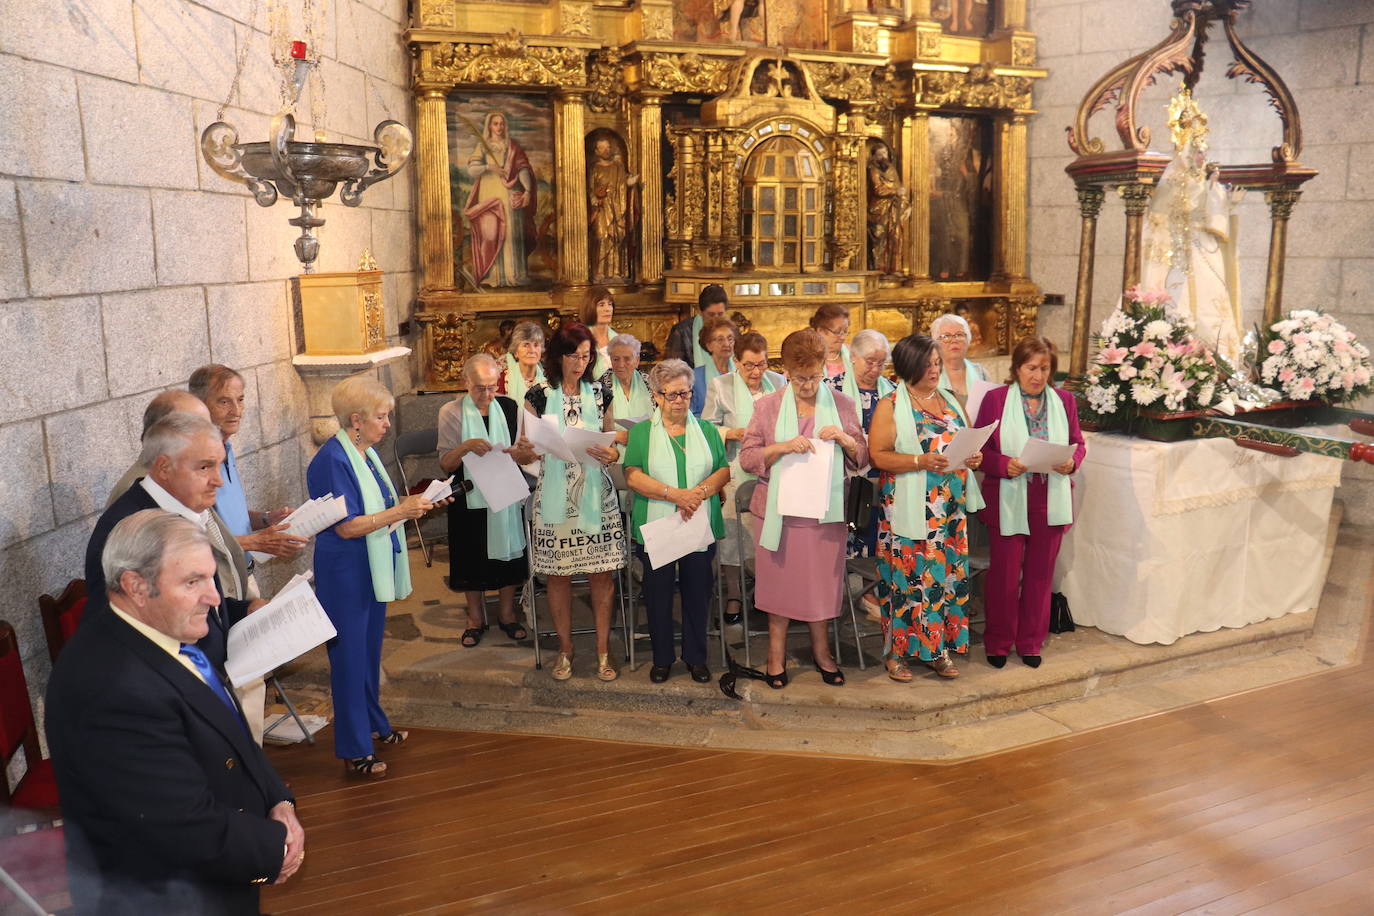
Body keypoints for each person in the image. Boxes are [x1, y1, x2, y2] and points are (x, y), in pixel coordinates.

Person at [48, 510, 303, 915]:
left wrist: (279, 801)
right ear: (135, 585)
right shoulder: (113, 688)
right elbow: (182, 825)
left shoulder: (171, 632)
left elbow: (233, 731)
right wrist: (276, 849)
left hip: (215, 878)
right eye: (192, 582)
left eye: (210, 578)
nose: (215, 598)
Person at [307, 376, 450, 779]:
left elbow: (381, 509)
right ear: (356, 420)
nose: (388, 424)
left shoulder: (363, 453)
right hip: (346, 571)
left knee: (368, 653)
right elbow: (346, 527)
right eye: (382, 417)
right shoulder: (331, 461)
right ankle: (355, 748)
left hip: (369, 565)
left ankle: (374, 723)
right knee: (349, 659)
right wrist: (401, 512)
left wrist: (414, 504)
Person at [740, 329, 867, 688]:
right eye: (800, 378)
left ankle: (822, 651)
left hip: (825, 513)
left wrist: (844, 439)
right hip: (779, 514)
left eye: (815, 377)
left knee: (820, 588)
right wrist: (779, 447)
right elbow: (748, 458)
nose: (808, 385)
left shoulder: (842, 404)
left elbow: (862, 457)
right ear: (786, 371)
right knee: (779, 586)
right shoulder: (767, 406)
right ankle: (775, 655)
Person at [85, 412, 261, 672]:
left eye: (218, 465)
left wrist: (244, 610)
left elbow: (199, 604)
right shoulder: (129, 527)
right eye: (204, 467)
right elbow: (128, 636)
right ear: (164, 468)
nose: (218, 480)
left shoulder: (187, 510)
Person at [868, 334, 985, 682]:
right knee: (906, 580)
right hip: (908, 508)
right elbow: (879, 455)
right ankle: (896, 653)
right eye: (928, 364)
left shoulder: (949, 400)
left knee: (943, 580)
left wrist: (972, 457)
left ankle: (936, 649)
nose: (935, 370)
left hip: (947, 510)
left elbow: (961, 441)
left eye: (937, 363)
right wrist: (920, 460)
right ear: (909, 366)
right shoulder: (890, 404)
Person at [517, 323, 626, 681]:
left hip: (596, 495)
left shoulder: (600, 392)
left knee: (601, 576)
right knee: (558, 578)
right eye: (573, 355)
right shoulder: (537, 395)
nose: (580, 363)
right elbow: (523, 450)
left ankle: (602, 653)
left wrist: (610, 454)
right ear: (557, 356)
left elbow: (611, 443)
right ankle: (565, 651)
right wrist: (526, 450)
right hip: (554, 498)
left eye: (586, 356)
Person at [975, 336, 1086, 669]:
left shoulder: (1064, 400)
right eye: (1031, 368)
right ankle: (997, 641)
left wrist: (1072, 462)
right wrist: (1002, 465)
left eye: (1044, 368)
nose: (1037, 375)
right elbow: (979, 453)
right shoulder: (996, 400)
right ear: (1017, 368)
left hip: (1048, 497)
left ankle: (1030, 641)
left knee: (1040, 575)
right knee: (1005, 576)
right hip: (1008, 495)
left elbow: (1077, 443)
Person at [623, 360, 731, 683]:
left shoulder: (707, 430)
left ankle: (696, 658)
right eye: (671, 395)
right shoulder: (642, 433)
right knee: (657, 595)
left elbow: (723, 470)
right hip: (658, 526)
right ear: (656, 396)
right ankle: (662, 658)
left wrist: (696, 494)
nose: (679, 401)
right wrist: (675, 496)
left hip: (698, 523)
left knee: (698, 593)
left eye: (685, 393)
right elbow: (632, 475)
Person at [437, 354, 535, 648]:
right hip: (469, 496)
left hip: (504, 490)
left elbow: (525, 455)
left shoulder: (509, 407)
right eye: (480, 387)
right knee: (472, 556)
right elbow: (445, 464)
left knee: (509, 557)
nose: (488, 394)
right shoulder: (451, 412)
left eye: (492, 386)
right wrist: (466, 446)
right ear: (465, 383)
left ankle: (507, 614)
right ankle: (475, 617)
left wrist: (524, 451)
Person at [700, 330, 785, 624]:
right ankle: (735, 593)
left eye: (761, 364)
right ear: (736, 362)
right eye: (749, 365)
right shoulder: (720, 386)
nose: (756, 372)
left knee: (768, 536)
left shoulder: (779, 383)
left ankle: (768, 592)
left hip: (773, 470)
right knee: (735, 538)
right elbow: (706, 429)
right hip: (736, 469)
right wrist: (730, 433)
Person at [464, 111, 536, 287]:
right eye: (495, 124)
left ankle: (513, 275)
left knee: (510, 231)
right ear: (489, 126)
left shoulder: (512, 146)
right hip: (489, 191)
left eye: (501, 124)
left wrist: (527, 190)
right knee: (491, 232)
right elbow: (472, 170)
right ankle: (493, 275)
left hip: (508, 192)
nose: (499, 127)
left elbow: (523, 168)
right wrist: (489, 166)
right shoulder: (482, 146)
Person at [106, 390, 214, 507]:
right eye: (197, 429)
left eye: (210, 428)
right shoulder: (142, 492)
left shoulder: (187, 474)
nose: (211, 438)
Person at [588, 135, 638, 283]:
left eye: (608, 147)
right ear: (597, 151)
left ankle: (617, 271)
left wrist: (634, 180)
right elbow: (590, 188)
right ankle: (599, 272)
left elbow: (625, 183)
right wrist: (595, 198)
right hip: (601, 209)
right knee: (601, 236)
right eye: (602, 148)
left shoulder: (618, 167)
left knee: (617, 238)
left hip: (617, 207)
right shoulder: (594, 168)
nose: (606, 150)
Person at [867, 142, 910, 276]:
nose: (883, 157)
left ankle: (895, 268)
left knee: (896, 237)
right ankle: (878, 269)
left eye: (885, 153)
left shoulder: (891, 169)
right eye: (879, 154)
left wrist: (906, 203)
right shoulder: (872, 169)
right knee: (879, 239)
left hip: (894, 208)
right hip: (879, 210)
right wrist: (896, 191)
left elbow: (900, 188)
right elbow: (878, 189)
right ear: (874, 156)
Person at [931, 313, 988, 411]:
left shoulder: (981, 372)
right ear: (935, 342)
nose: (954, 340)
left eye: (959, 335)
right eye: (946, 336)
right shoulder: (929, 375)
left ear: (968, 339)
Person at [665, 283, 728, 367]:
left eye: (720, 314)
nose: (715, 319)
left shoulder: (731, 331)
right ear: (700, 312)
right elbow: (672, 370)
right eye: (711, 315)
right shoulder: (681, 332)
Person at [810, 303, 862, 403]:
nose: (842, 337)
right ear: (820, 331)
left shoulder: (853, 353)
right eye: (837, 332)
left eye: (845, 332)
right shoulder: (806, 355)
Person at [690, 315, 737, 416]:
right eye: (720, 340)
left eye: (730, 339)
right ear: (709, 345)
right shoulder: (695, 377)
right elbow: (690, 415)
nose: (726, 344)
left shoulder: (742, 372)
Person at [498, 320, 547, 404]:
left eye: (536, 345)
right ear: (516, 352)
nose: (532, 350)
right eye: (526, 345)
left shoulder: (549, 379)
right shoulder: (502, 380)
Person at [581, 285, 618, 379]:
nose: (608, 309)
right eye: (601, 304)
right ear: (590, 308)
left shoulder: (619, 340)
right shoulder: (581, 339)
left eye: (610, 304)